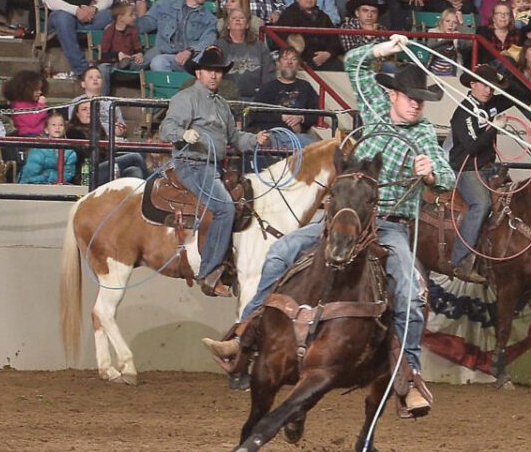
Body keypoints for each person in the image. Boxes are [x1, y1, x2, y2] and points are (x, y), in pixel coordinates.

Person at [206, 35, 452, 417]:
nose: (416, 104)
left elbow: (447, 177)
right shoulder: (375, 110)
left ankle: (410, 377)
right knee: (280, 252)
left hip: (389, 226)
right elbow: (354, 63)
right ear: (392, 96)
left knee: (409, 292)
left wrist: (432, 173)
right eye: (410, 97)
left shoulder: (422, 135)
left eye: (420, 99)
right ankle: (245, 335)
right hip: (340, 219)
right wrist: (382, 50)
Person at [158, 47, 270, 296]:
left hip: (213, 167)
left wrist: (255, 140)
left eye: (218, 72)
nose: (214, 75)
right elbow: (166, 128)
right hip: (192, 164)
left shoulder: (222, 105)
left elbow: (235, 138)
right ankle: (209, 272)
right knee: (225, 208)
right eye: (209, 70)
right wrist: (183, 134)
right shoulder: (186, 98)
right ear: (198, 73)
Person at [445, 65, 512, 283]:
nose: (488, 90)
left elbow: (521, 95)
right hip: (465, 169)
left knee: (512, 199)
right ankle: (459, 261)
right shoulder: (463, 112)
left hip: (488, 167)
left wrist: (503, 76)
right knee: (481, 204)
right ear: (472, 84)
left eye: (492, 86)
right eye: (484, 85)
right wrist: (494, 127)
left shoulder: (490, 104)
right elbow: (473, 147)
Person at [246, 48, 322, 144]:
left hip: (298, 138)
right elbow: (255, 113)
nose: (289, 62)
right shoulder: (268, 87)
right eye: (285, 58)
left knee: (318, 146)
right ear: (278, 64)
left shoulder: (305, 87)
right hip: (272, 136)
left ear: (298, 65)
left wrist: (301, 118)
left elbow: (317, 112)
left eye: (293, 59)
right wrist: (281, 117)